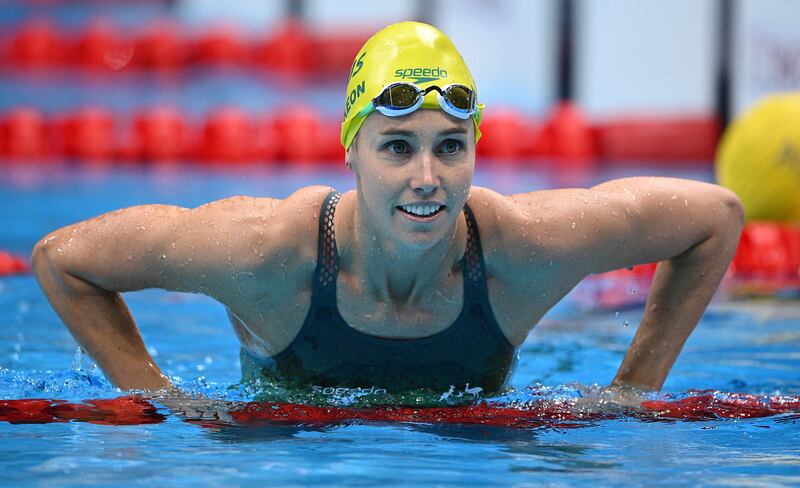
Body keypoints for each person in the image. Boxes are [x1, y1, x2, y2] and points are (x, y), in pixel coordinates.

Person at [32, 22, 743, 400]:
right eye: (398, 147)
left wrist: (633, 392)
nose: (428, 179)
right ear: (351, 151)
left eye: (451, 147)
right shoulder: (265, 253)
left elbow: (716, 216)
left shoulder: (522, 248)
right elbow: (63, 260)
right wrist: (156, 401)